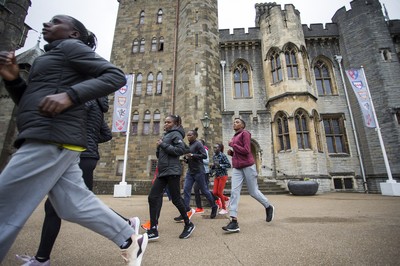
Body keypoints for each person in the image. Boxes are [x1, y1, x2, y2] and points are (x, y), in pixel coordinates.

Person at [0, 15, 147, 265]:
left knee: (6, 203)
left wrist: (70, 96)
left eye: (56, 21)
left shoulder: (70, 48)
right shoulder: (50, 58)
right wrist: (13, 79)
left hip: (50, 138)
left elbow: (115, 76)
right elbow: (32, 104)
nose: (47, 24)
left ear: (74, 34)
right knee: (72, 204)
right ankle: (129, 238)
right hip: (57, 139)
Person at [15, 97, 140, 265]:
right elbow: (106, 134)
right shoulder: (96, 104)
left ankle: (126, 229)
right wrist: (91, 139)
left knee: (65, 206)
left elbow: (66, 119)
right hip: (88, 156)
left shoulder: (84, 99)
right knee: (64, 205)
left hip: (77, 154)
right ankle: (42, 258)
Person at [147, 115, 195, 240]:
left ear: (175, 123)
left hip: (172, 171)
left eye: (168, 122)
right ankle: (153, 228)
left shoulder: (176, 135)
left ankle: (188, 224)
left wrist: (162, 145)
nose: (165, 124)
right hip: (162, 172)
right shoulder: (166, 135)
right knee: (152, 197)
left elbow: (179, 150)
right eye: (165, 122)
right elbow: (160, 155)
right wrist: (158, 148)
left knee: (176, 199)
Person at [222, 118, 274, 233]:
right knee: (234, 192)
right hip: (237, 167)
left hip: (248, 166)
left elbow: (246, 150)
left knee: (253, 192)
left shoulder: (245, 134)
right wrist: (233, 153)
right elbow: (239, 152)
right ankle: (234, 221)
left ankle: (268, 206)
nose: (234, 123)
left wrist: (233, 145)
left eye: (237, 122)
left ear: (242, 125)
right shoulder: (235, 136)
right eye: (234, 122)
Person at [176, 129, 218, 221]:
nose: (188, 137)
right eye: (187, 135)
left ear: (195, 136)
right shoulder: (189, 145)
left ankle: (214, 206)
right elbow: (189, 158)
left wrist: (193, 155)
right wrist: (186, 158)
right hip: (190, 172)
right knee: (186, 190)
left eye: (190, 135)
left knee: (204, 191)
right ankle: (185, 212)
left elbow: (204, 156)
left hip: (199, 171)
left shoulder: (198, 144)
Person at [193, 139, 213, 214]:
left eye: (199, 143)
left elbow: (207, 161)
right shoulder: (196, 150)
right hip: (198, 171)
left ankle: (215, 201)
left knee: (203, 189)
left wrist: (197, 157)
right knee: (200, 189)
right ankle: (200, 207)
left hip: (204, 172)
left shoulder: (205, 150)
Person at [211, 143, 231, 215]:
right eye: (214, 147)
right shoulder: (214, 156)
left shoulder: (223, 155)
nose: (214, 149)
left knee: (219, 192)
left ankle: (224, 209)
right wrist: (212, 169)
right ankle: (227, 199)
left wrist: (220, 165)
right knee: (214, 193)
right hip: (217, 175)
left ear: (219, 148)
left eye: (216, 147)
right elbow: (214, 166)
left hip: (223, 175)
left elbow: (229, 165)